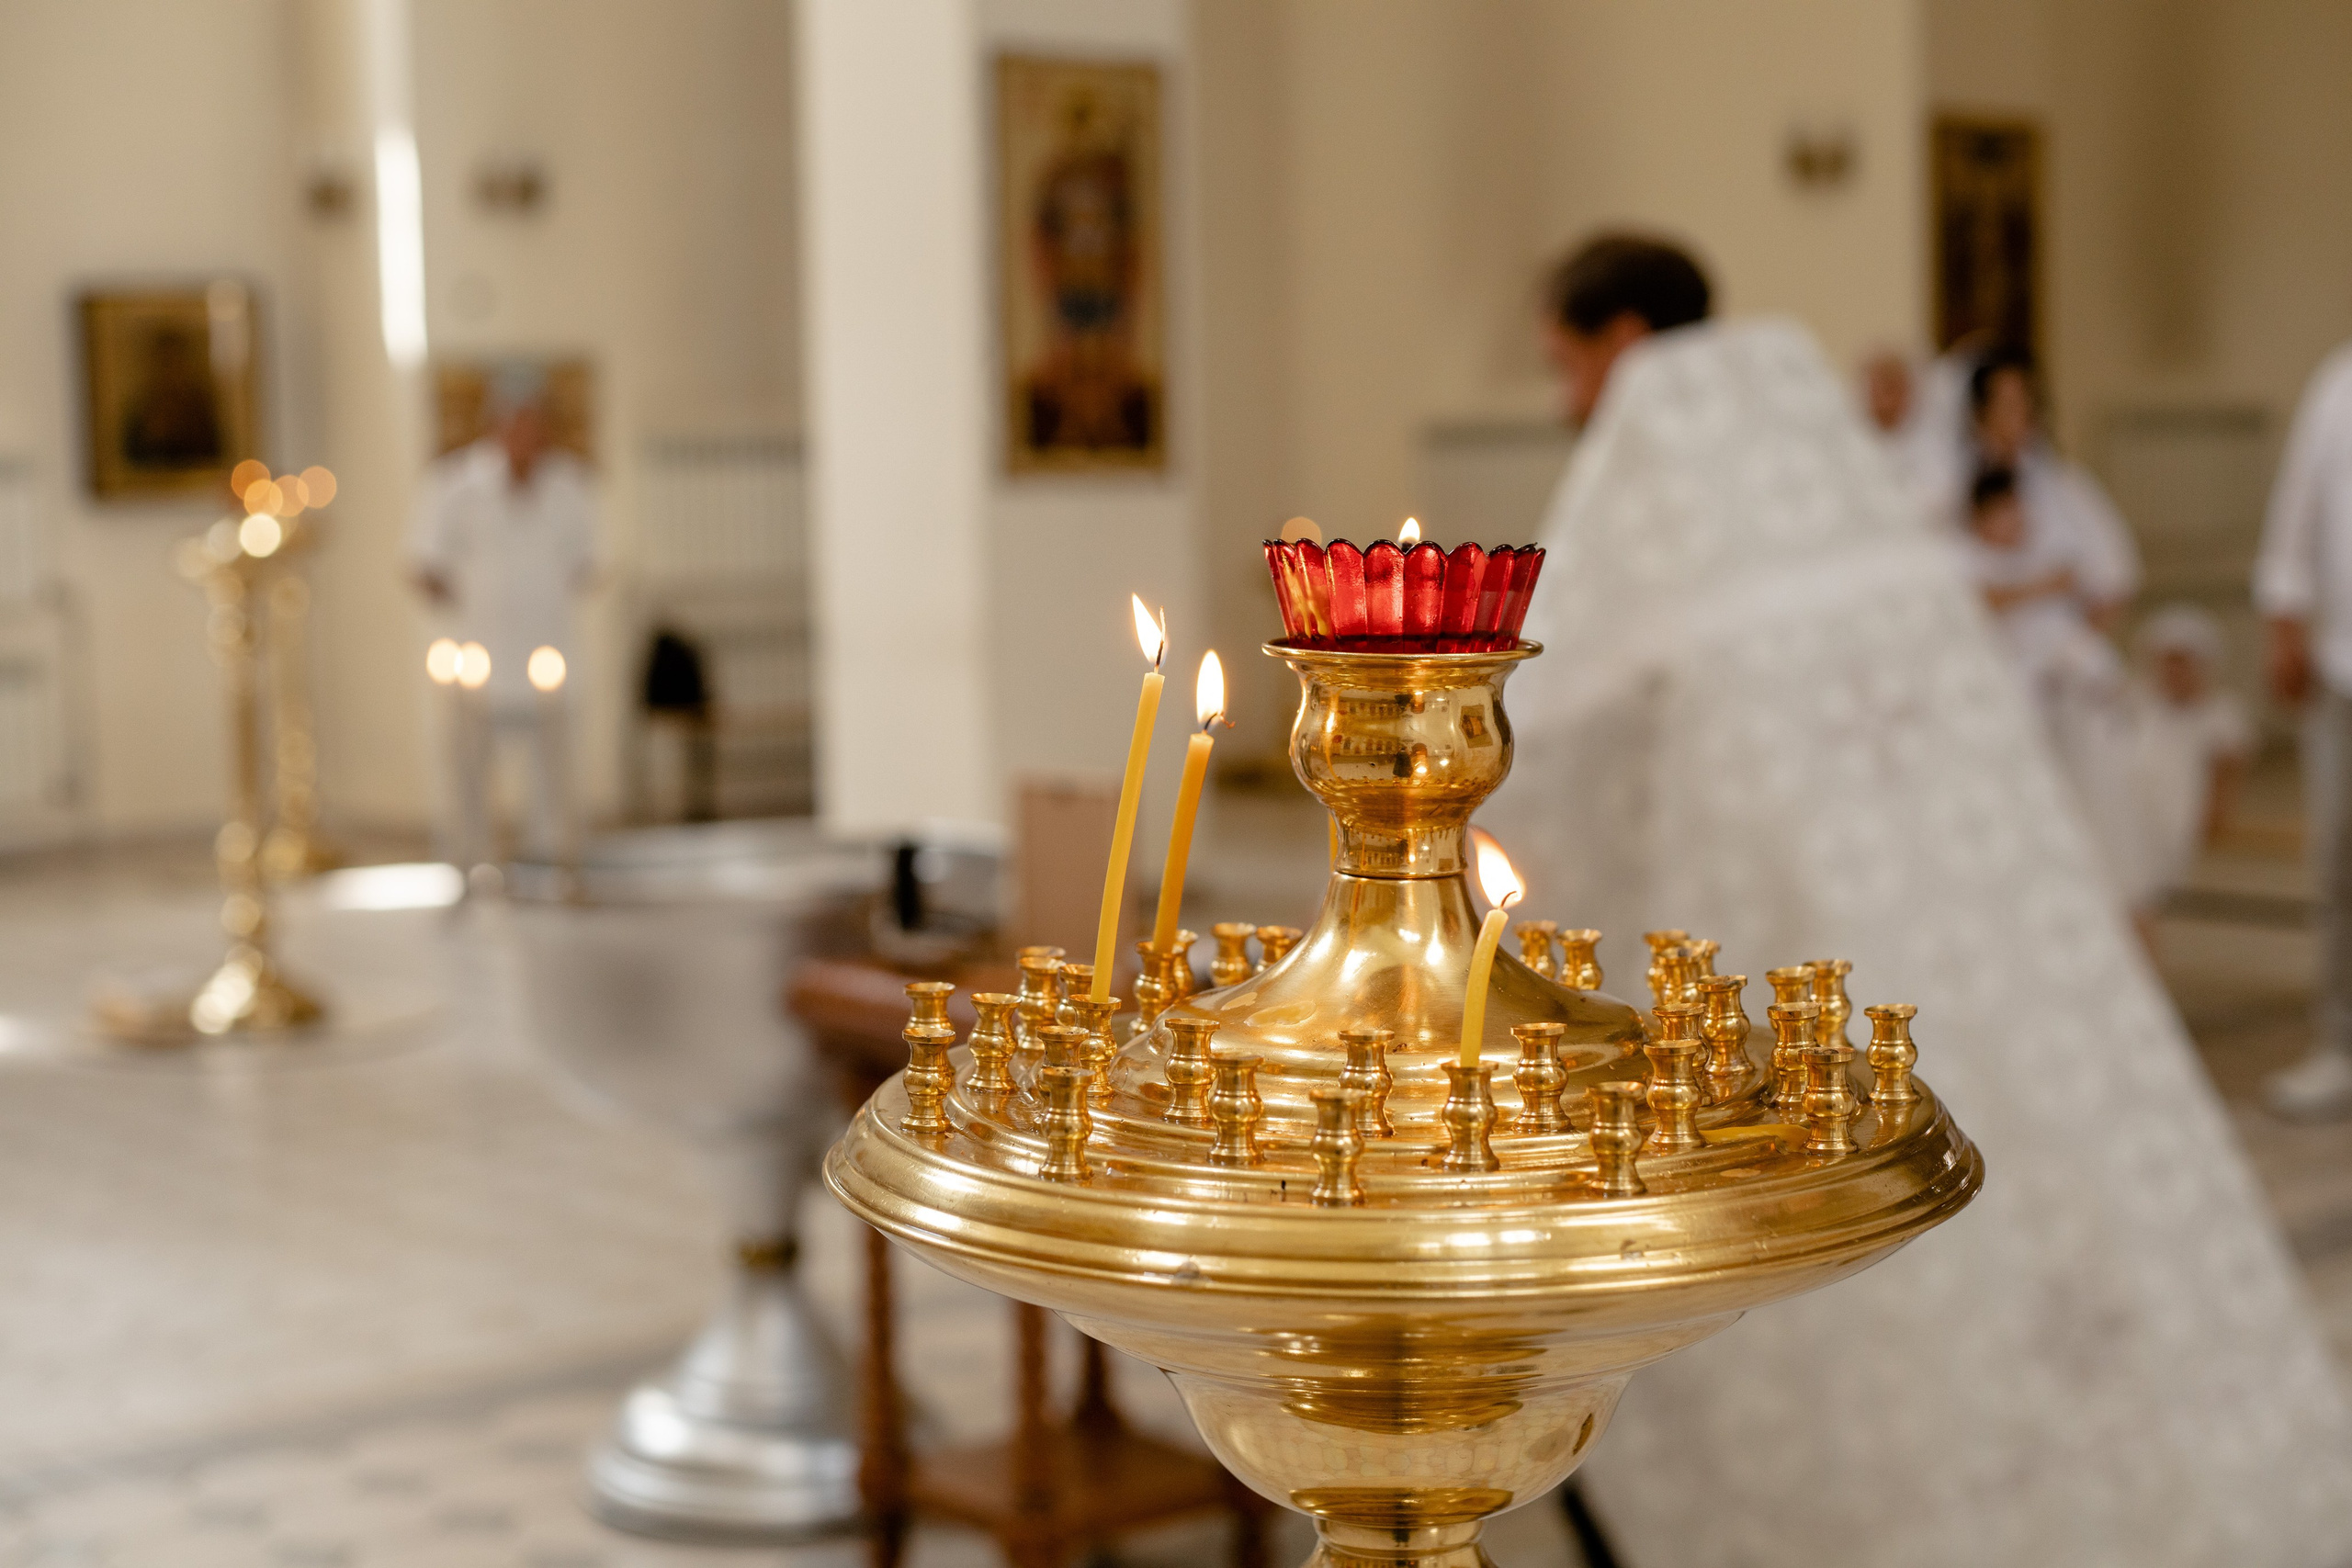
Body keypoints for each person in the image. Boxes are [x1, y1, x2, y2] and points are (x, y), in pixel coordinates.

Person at [1484, 231, 2352, 1568]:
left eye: (1566, 364)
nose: (1564, 401)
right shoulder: (1819, 458)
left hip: (1780, 949)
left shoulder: (1646, 490)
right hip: (1965, 940)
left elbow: (1533, 739)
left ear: (1627, 342)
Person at [411, 369, 597, 865]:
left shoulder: (569, 485)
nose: (527, 435)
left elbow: (586, 564)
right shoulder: (455, 484)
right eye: (517, 423)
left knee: (554, 764)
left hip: (546, 646)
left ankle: (554, 853)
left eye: (536, 423)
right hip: (480, 649)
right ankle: (471, 855)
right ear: (497, 424)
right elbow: (424, 564)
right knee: (470, 765)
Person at [2255, 339, 2352, 1119]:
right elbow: (2301, 504)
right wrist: (2284, 619)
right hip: (2346, 668)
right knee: (2341, 865)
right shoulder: (2340, 381)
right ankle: (2342, 1043)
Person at [1967, 345, 2140, 630]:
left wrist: (2077, 635)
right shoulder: (1955, 487)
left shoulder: (2066, 484)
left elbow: (2116, 574)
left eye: (2028, 402)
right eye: (2008, 404)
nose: (2021, 415)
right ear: (1981, 412)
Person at [2126, 604, 2253, 899]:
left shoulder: (2222, 713)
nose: (2172, 671)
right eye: (2165, 662)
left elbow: (2228, 769)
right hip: (2135, 817)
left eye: (2180, 662)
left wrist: (2217, 812)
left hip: (2187, 822)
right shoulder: (2137, 702)